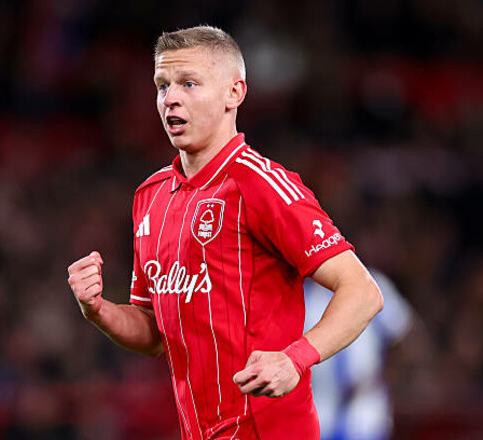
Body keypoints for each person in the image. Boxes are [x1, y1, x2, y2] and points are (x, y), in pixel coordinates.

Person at [67, 26, 383, 439]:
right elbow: (154, 331)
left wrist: (296, 358)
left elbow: (362, 291)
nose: (170, 98)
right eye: (162, 85)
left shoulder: (262, 185)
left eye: (189, 83)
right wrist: (99, 311)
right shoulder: (150, 196)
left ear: (234, 93)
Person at [304, 269, 413, 440]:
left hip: (365, 411)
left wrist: (383, 378)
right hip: (318, 409)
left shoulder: (373, 283)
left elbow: (403, 339)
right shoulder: (303, 293)